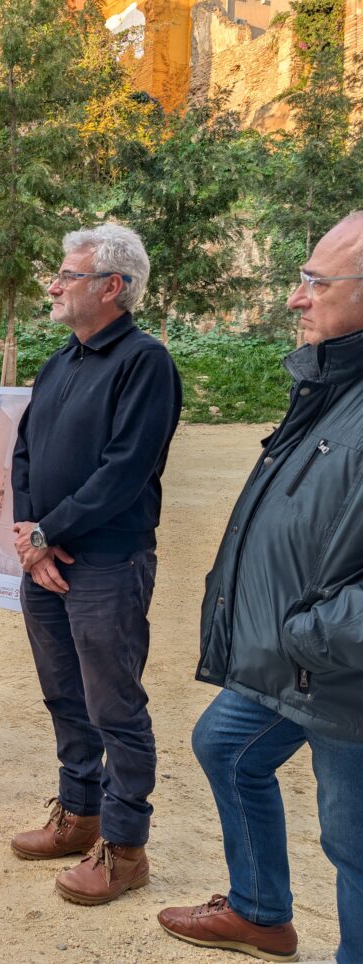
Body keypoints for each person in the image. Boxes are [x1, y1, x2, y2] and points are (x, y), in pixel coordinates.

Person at [158, 212, 363, 964]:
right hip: (304, 661)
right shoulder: (335, 383)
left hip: (344, 674)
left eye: (316, 281)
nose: (295, 298)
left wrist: (308, 633)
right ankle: (259, 912)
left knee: (356, 849)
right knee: (225, 745)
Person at [9, 224, 182, 905]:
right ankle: (78, 815)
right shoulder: (61, 362)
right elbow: (23, 451)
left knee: (115, 707)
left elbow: (126, 471)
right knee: (63, 696)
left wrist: (50, 531)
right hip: (47, 563)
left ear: (113, 287)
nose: (53, 284)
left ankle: (126, 846)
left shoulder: (145, 363)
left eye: (68, 274)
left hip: (108, 565)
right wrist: (32, 537)